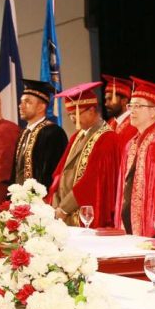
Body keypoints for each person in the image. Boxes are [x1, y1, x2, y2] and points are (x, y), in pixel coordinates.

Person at [114, 78, 155, 237]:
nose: (132, 111)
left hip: (153, 228)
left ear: (153, 112)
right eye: (131, 106)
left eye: (138, 106)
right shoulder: (130, 144)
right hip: (128, 225)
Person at [47, 81, 119, 228]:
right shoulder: (76, 136)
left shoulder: (107, 138)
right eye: (70, 115)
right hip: (64, 213)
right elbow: (60, 173)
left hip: (85, 213)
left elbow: (92, 181)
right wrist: (56, 203)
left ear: (92, 110)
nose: (73, 119)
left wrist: (64, 208)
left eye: (76, 114)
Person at [14, 79, 68, 190]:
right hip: (21, 197)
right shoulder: (23, 133)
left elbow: (56, 173)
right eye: (21, 102)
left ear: (41, 107)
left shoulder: (53, 133)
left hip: (43, 198)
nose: (20, 106)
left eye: (27, 102)